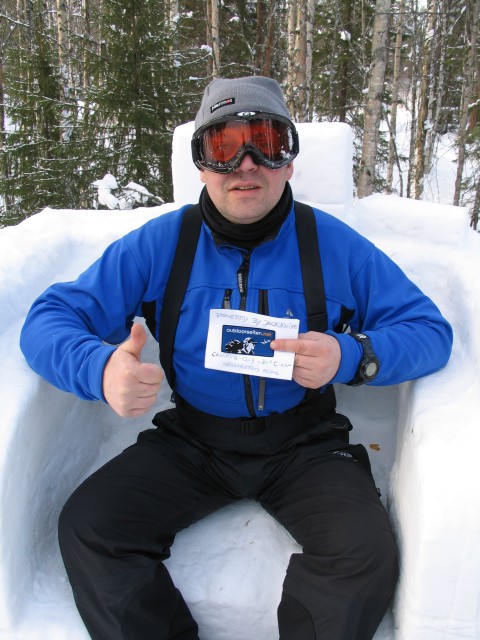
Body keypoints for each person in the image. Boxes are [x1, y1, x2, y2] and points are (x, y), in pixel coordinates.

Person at [20, 76, 453, 640]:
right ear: (201, 165)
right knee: (91, 527)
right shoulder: (161, 243)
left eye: (266, 142)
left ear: (289, 162)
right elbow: (49, 319)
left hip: (305, 444)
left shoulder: (334, 245)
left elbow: (428, 331)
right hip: (193, 442)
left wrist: (352, 356)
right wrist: (99, 369)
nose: (246, 164)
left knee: (363, 553)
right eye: (223, 146)